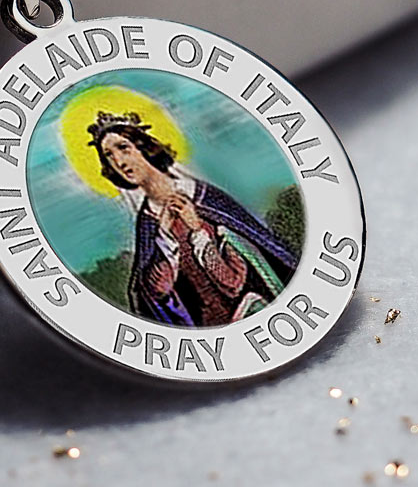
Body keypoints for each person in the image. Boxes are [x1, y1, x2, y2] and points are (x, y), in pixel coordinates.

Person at [87, 111, 299, 327]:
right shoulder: (148, 224)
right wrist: (164, 235)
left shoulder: (206, 199)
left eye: (123, 148)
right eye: (109, 155)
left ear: (143, 148)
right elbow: (156, 294)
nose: (119, 161)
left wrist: (197, 230)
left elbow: (234, 283)